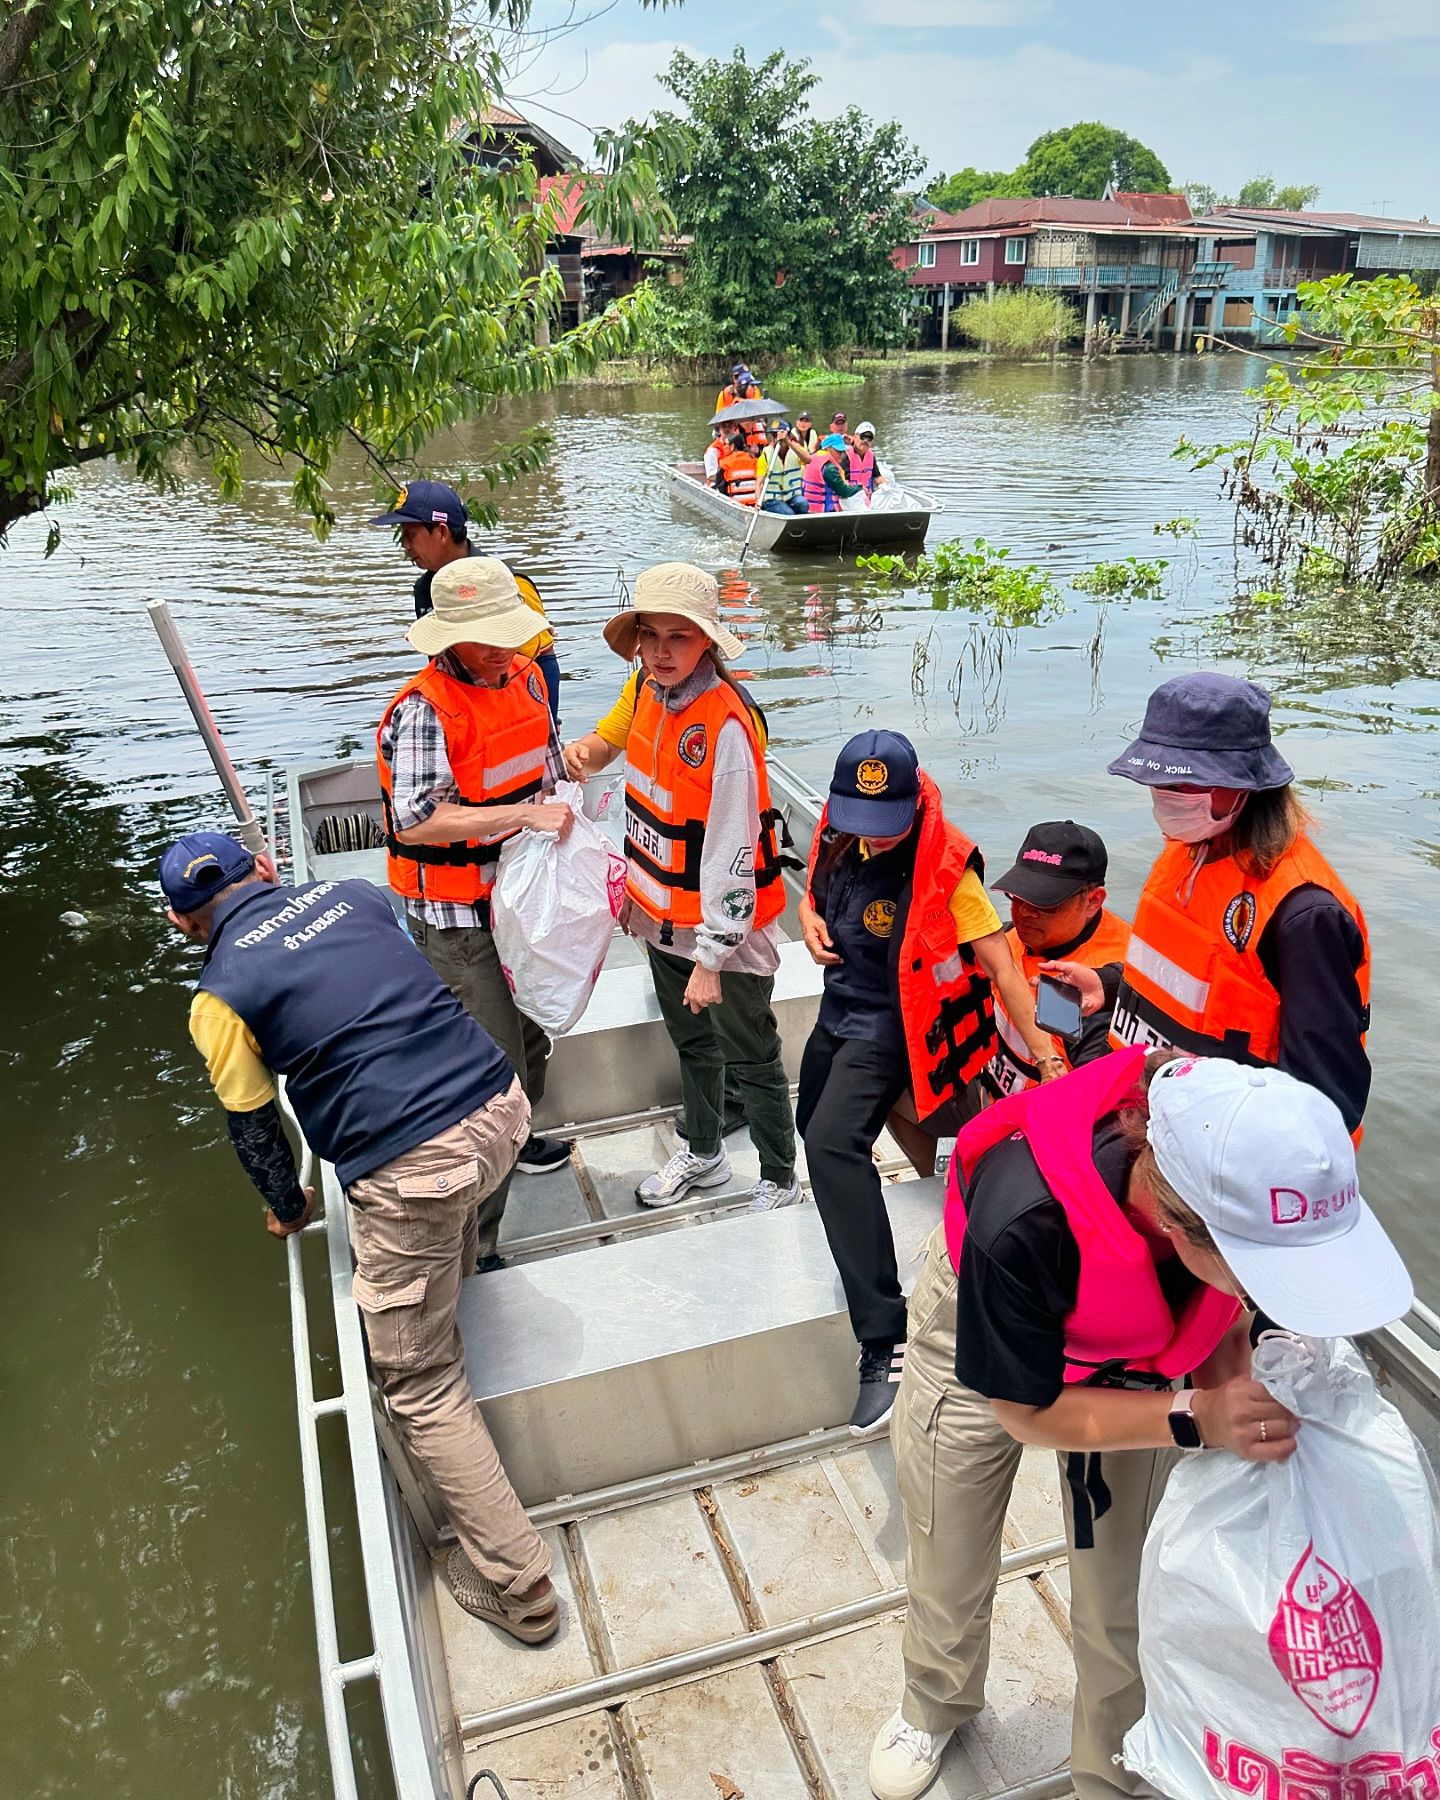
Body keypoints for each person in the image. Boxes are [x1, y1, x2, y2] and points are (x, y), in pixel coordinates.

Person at [867, 1048, 1413, 1800]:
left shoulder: (1243, 1149)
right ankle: (933, 1700)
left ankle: (1113, 1774)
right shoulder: (1022, 1216)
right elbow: (1023, 1410)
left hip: (1142, 1356)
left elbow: (1225, 1320)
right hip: (985, 1327)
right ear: (1181, 1230)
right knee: (947, 1542)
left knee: (1123, 1598)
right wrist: (1196, 1416)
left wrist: (1240, 1408)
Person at [162, 832, 567, 1644]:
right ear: (268, 868)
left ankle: (522, 1591)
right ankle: (449, 1282)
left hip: (419, 1164)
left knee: (415, 1380)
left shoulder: (219, 994)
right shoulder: (356, 897)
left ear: (182, 923)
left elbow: (254, 1129)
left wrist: (287, 1206)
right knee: (441, 1209)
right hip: (502, 1109)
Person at [797, 732, 1063, 1434]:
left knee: (831, 1145)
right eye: (858, 824)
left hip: (892, 1028)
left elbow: (1004, 969)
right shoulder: (839, 828)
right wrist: (807, 915)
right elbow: (817, 885)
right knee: (809, 1126)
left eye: (886, 828)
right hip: (838, 1006)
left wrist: (1047, 1056)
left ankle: (882, 1338)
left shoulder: (949, 870)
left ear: (915, 804)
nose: (872, 840)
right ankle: (866, 1242)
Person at [1047, 673, 1371, 1135]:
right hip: (1147, 1114)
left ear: (1244, 786)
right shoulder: (1186, 850)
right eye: (1158, 783)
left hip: (1217, 1152)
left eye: (1184, 784)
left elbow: (1326, 1100)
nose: (1165, 797)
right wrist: (1109, 985)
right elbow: (1194, 977)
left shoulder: (1303, 912)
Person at [376, 557, 574, 1233]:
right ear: (446, 637)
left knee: (535, 1039)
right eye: (485, 635)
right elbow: (417, 818)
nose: (501, 647)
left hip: (519, 900)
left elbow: (547, 770)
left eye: (506, 631)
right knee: (493, 1073)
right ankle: (475, 1236)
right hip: (456, 917)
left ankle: (515, 1143)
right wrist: (521, 817)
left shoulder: (524, 680)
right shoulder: (426, 711)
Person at [602, 562, 799, 1212]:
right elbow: (645, 808)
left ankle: (778, 1178)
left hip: (724, 936)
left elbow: (733, 852)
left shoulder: (728, 725)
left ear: (707, 642)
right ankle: (707, 1153)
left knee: (753, 1057)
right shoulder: (649, 697)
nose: (662, 651)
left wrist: (712, 957)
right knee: (692, 1045)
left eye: (679, 637)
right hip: (662, 920)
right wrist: (631, 895)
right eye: (650, 636)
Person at [368, 479, 561, 724]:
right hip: (457, 721)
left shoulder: (508, 586)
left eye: (411, 534)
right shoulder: (426, 590)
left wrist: (546, 726)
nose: (405, 545)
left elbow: (544, 662)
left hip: (510, 719)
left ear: (441, 532)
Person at [985, 821, 1131, 1097]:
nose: (1025, 912)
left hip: (1037, 1123)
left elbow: (1092, 1107)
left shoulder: (1094, 998)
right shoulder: (1012, 934)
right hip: (990, 1089)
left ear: (1093, 901)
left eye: (1045, 904)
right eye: (1017, 896)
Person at [795, 434, 865, 513]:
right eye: (838, 451)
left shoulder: (814, 457)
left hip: (810, 508)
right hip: (823, 511)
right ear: (828, 448)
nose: (841, 454)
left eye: (842, 451)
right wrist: (860, 487)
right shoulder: (830, 468)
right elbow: (844, 491)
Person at [755, 424, 807, 514]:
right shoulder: (765, 456)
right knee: (788, 513)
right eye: (774, 435)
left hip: (791, 496)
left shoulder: (795, 450)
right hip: (772, 499)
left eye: (780, 435)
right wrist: (758, 500)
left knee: (803, 504)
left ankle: (801, 525)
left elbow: (808, 459)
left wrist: (788, 442)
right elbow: (759, 483)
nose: (777, 438)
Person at [713, 424, 758, 506]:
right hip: (754, 502)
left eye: (726, 444)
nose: (725, 447)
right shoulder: (755, 461)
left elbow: (720, 487)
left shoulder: (725, 463)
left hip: (735, 503)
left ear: (732, 446)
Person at [848, 421, 886, 495]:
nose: (865, 441)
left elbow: (877, 477)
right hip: (849, 497)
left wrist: (884, 484)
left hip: (866, 497)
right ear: (855, 436)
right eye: (863, 437)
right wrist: (859, 489)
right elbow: (842, 482)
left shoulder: (871, 456)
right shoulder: (845, 455)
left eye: (869, 438)